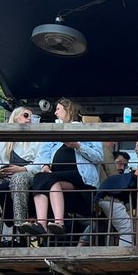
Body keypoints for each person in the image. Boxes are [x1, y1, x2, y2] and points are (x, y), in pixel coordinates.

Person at [29, 98, 104, 239]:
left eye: (58, 109)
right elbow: (44, 154)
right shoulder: (54, 132)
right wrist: (45, 165)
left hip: (80, 175)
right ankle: (43, 224)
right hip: (56, 176)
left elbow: (99, 157)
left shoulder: (88, 129)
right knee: (40, 176)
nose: (55, 113)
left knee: (49, 179)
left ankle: (58, 222)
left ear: (69, 109)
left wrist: (77, 145)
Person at [0, 106, 44, 244]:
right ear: (15, 117)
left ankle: (20, 225)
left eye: (32, 116)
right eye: (26, 115)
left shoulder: (38, 139)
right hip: (6, 177)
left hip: (28, 175)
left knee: (19, 179)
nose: (29, 118)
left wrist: (23, 169)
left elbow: (41, 163)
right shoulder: (3, 141)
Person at [94, 151, 138, 246]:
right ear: (111, 161)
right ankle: (124, 256)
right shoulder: (106, 172)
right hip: (107, 200)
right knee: (127, 228)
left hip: (100, 201)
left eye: (125, 165)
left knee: (96, 225)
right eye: (119, 163)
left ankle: (81, 244)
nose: (122, 168)